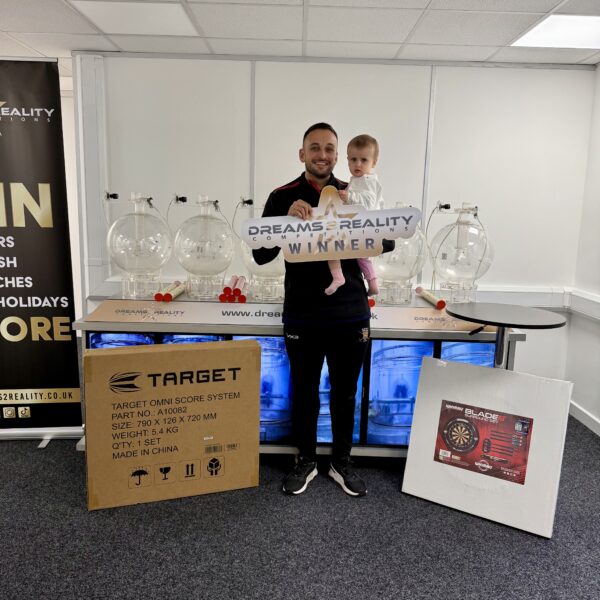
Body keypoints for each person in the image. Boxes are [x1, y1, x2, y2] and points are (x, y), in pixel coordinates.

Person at [253, 123, 376, 497]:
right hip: (302, 315)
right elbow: (261, 255)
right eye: (315, 147)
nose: (323, 155)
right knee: (304, 391)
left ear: (338, 155)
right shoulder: (282, 197)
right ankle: (305, 460)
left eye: (330, 149)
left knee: (345, 393)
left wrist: (359, 214)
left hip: (350, 312)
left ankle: (342, 461)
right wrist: (286, 223)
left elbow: (384, 242)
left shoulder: (355, 192)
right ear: (302, 153)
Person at [326, 134, 384, 296]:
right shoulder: (356, 180)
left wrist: (349, 197)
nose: (358, 164)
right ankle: (371, 282)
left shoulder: (368, 181)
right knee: (359, 256)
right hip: (357, 225)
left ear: (374, 162)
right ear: (347, 160)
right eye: (353, 159)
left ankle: (340, 277)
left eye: (364, 160)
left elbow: (368, 204)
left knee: (333, 246)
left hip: (365, 226)